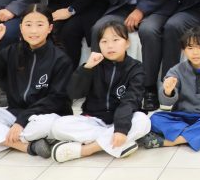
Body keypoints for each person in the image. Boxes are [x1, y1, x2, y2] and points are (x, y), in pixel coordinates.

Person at [0, 5, 73, 157]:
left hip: (45, 115)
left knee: (49, 125)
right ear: (21, 28)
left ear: (50, 28)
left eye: (40, 25)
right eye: (28, 25)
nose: (33, 31)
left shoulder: (61, 59)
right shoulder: (11, 52)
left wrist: (22, 121)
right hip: (15, 113)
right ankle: (28, 146)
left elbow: (56, 99)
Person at [50, 21, 151, 162]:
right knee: (58, 126)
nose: (110, 46)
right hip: (94, 120)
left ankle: (86, 150)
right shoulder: (93, 65)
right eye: (104, 41)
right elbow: (74, 93)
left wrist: (121, 129)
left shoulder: (135, 68)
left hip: (123, 119)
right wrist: (86, 69)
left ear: (127, 43)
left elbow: (130, 101)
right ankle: (119, 143)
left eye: (115, 40)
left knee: (143, 121)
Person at [139, 27, 200, 150]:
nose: (195, 52)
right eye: (190, 48)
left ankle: (171, 142)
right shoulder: (176, 71)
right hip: (180, 116)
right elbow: (165, 102)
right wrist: (167, 91)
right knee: (154, 119)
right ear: (183, 50)